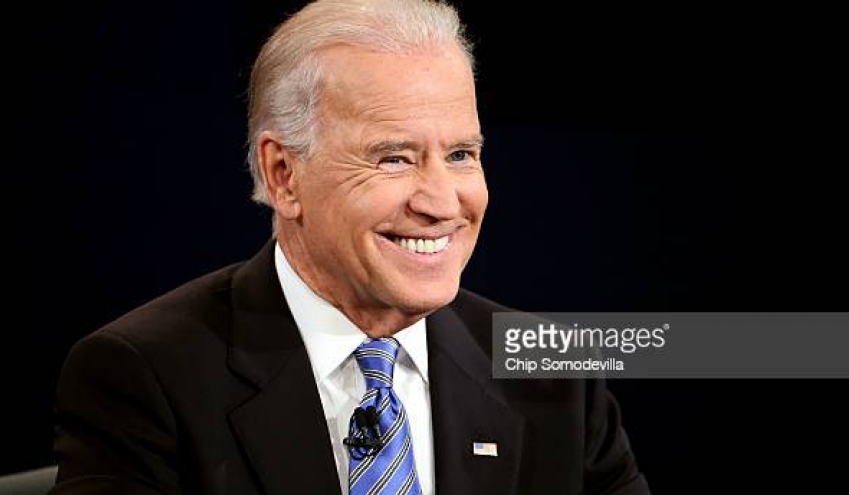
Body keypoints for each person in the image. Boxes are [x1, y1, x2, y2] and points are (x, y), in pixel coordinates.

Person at [49, 0, 650, 493]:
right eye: (394, 158)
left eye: (461, 154)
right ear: (284, 175)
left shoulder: (555, 376)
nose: (442, 202)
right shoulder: (146, 378)